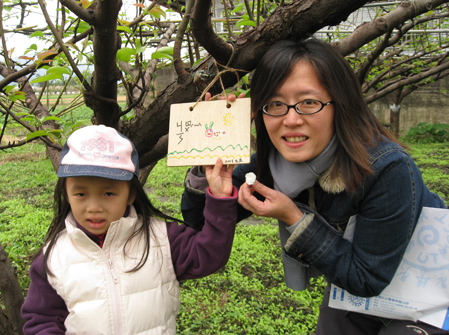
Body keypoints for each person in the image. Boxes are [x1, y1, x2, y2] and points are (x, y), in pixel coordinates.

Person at [181, 39, 448, 334]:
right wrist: (209, 161)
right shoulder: (273, 164)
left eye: (309, 102)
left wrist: (294, 218)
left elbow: (365, 278)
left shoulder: (386, 169)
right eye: (275, 104)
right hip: (354, 294)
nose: (291, 119)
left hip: (427, 296)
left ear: (340, 104)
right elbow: (198, 224)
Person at [21, 124, 238, 335]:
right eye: (80, 194)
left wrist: (219, 199)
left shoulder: (161, 239)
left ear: (130, 195)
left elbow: (209, 254)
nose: (94, 207)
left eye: (108, 194)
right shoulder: (53, 259)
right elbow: (42, 320)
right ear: (66, 194)